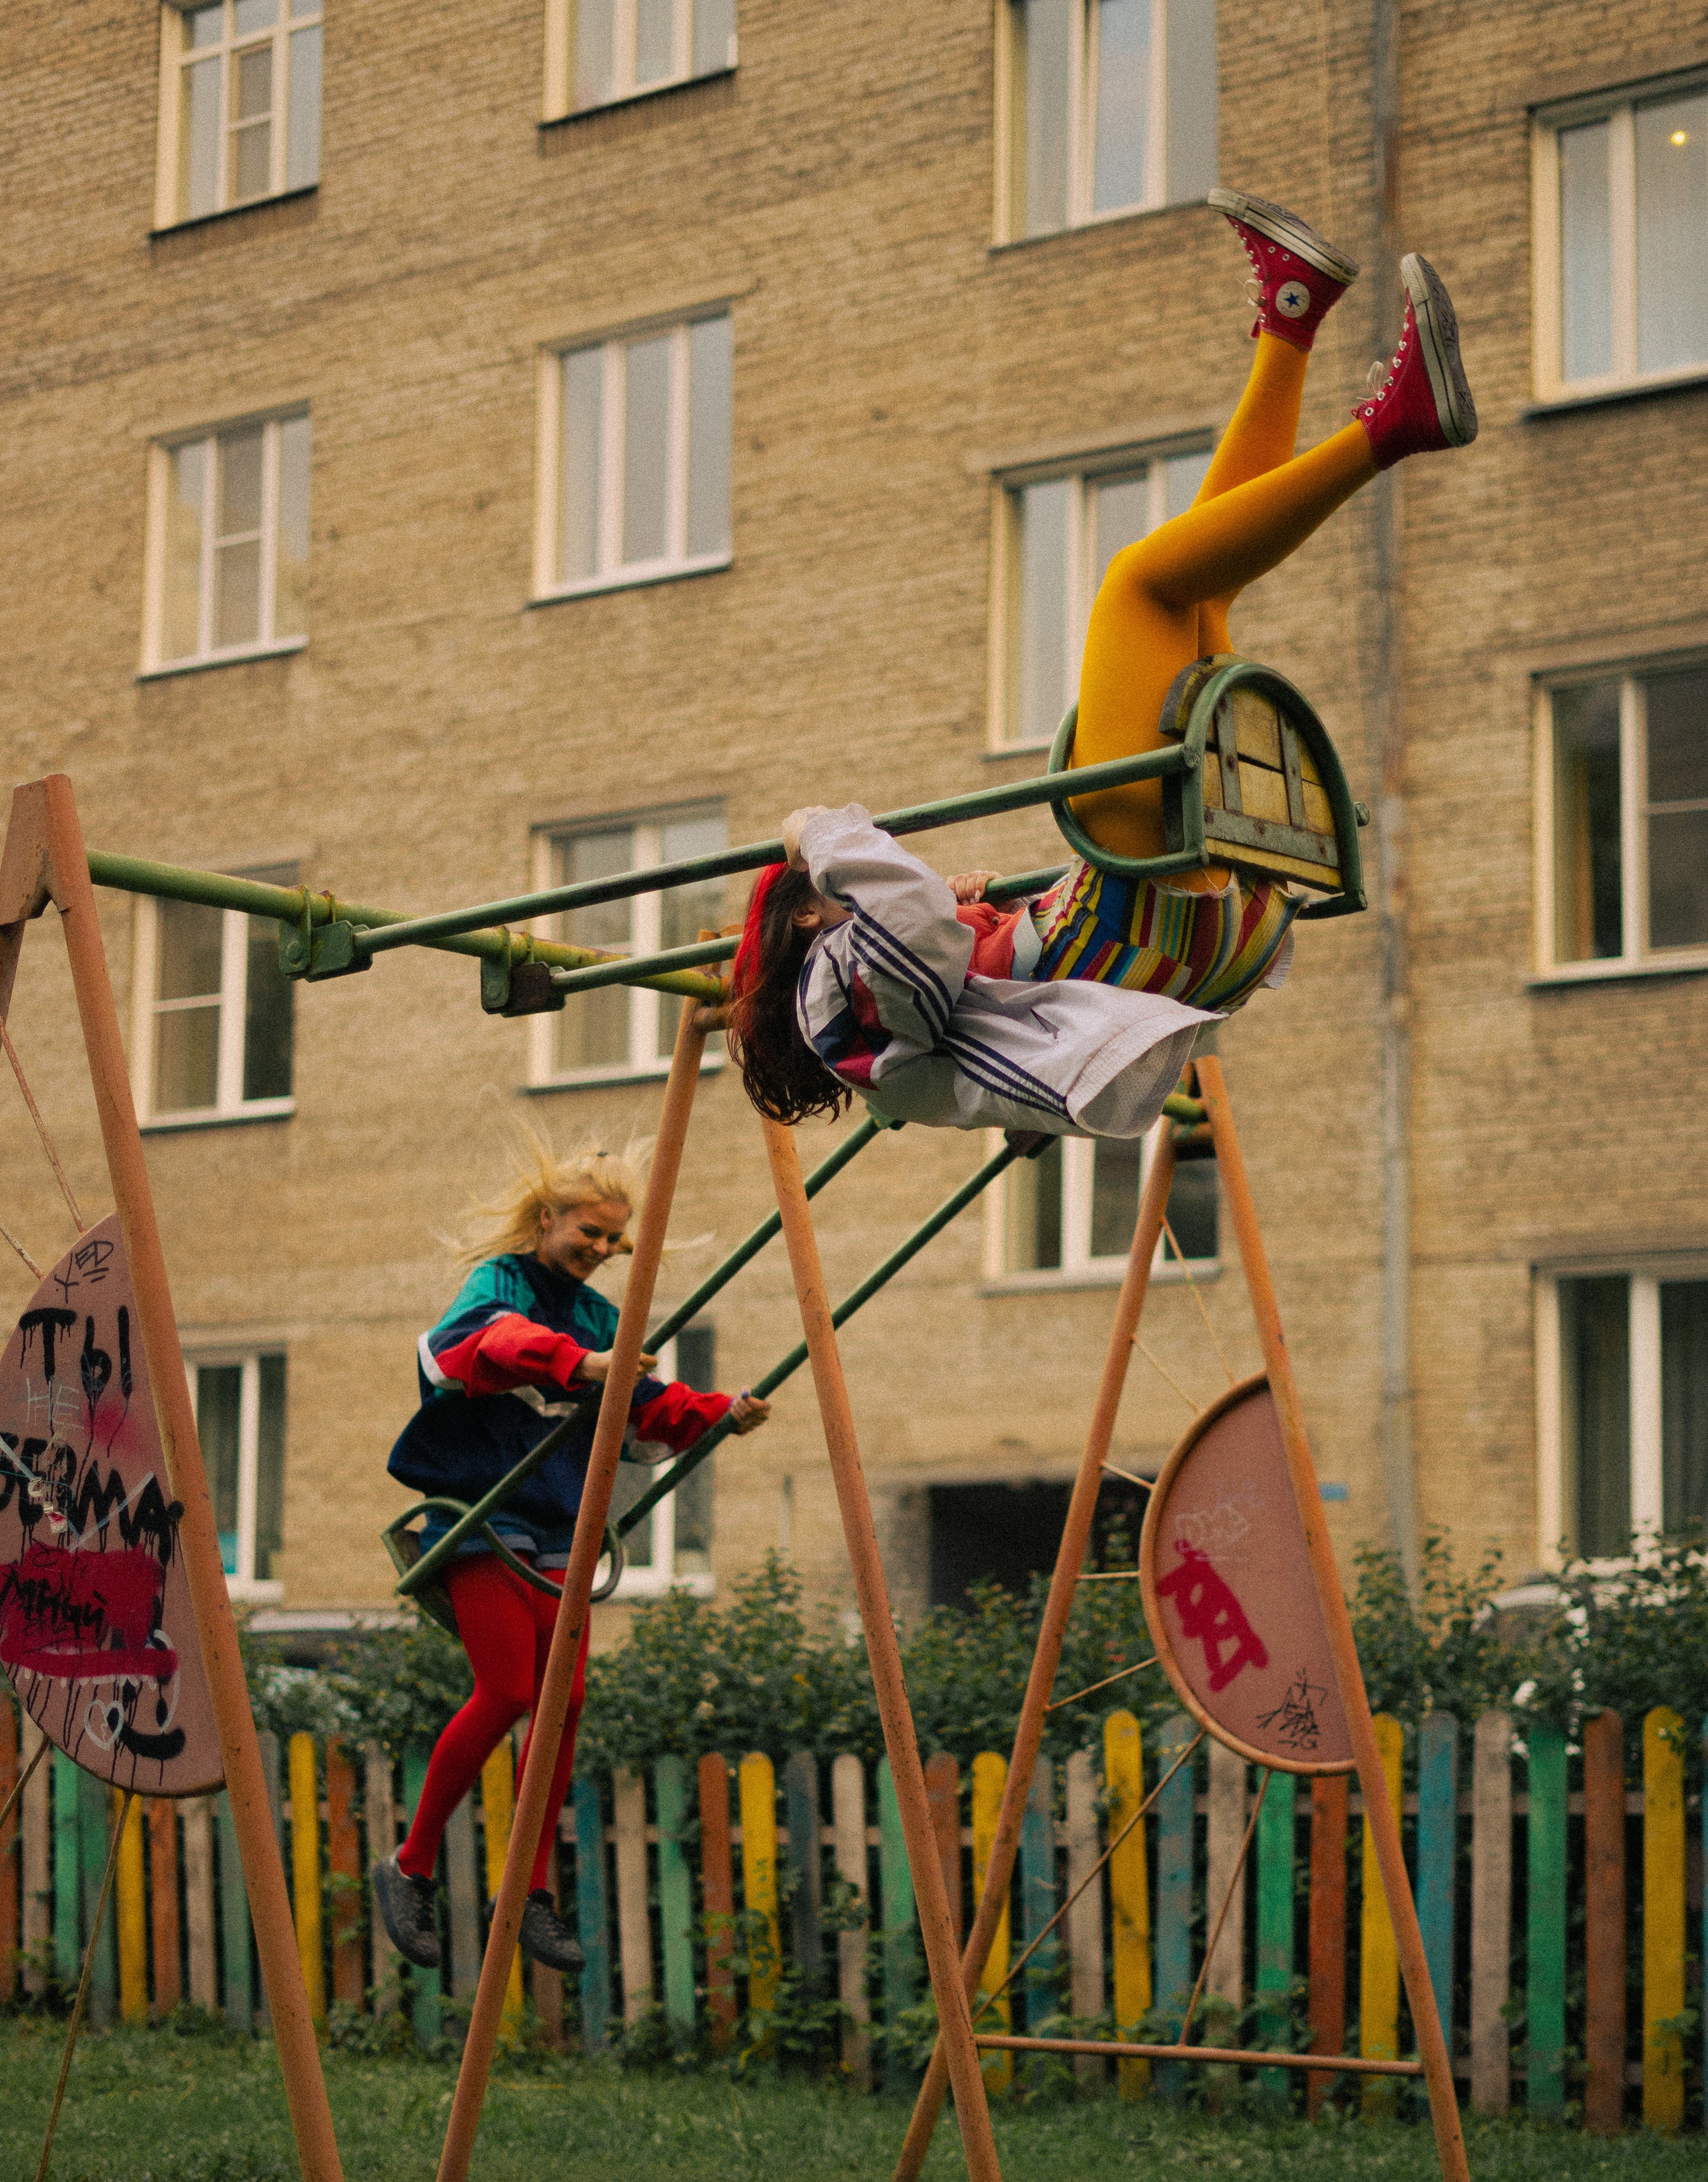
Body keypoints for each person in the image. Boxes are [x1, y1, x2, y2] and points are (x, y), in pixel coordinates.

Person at [728, 190, 1478, 1137]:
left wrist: (962, 909)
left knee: (1199, 592)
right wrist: (824, 833)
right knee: (1137, 586)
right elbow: (910, 919)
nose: (903, 874)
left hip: (1191, 941)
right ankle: (1395, 427)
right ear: (812, 912)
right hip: (1120, 939)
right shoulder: (832, 1004)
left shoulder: (884, 1030)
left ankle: (1290, 321)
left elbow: (929, 940)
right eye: (847, 880)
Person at [373, 1133, 770, 1973]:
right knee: (513, 1686)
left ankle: (528, 1889)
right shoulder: (502, 1283)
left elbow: (649, 1404)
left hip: (555, 1519)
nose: (596, 1251)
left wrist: (716, 1412)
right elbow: (484, 1347)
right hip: (478, 1508)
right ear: (547, 1219)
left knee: (566, 1700)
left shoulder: (600, 1315)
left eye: (609, 1240)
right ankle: (409, 1866)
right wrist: (577, 1365)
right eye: (585, 1232)